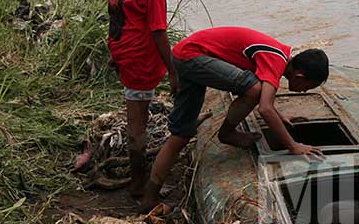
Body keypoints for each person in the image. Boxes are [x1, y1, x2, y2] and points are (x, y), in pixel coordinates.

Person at [139, 26, 329, 213]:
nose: (305, 91)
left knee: (180, 135)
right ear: (300, 75)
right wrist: (293, 146)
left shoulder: (279, 56)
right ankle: (227, 133)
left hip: (185, 54)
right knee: (253, 90)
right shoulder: (276, 59)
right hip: (194, 55)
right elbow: (265, 107)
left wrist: (280, 116)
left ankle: (150, 197)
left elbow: (267, 98)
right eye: (307, 87)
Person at [107, 0, 185, 198]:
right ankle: (139, 185)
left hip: (124, 51)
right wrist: (174, 71)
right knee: (137, 125)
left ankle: (137, 179)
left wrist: (115, 50)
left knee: (135, 119)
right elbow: (158, 30)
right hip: (140, 58)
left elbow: (116, 14)